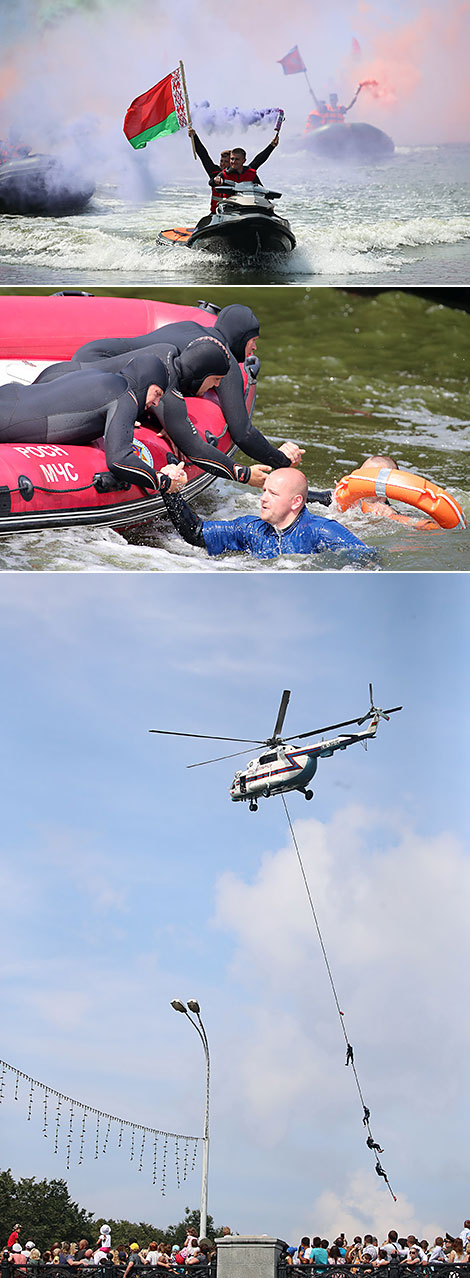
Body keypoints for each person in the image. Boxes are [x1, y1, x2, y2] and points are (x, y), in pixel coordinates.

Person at [35, 303, 302, 473]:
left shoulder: (188, 328)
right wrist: (281, 461)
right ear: (241, 338)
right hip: (99, 379)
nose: (255, 348)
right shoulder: (226, 361)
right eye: (253, 341)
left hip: (90, 355)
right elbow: (242, 432)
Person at [0, 353, 186, 493]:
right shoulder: (125, 396)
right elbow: (120, 460)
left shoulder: (99, 377)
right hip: (6, 421)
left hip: (10, 394)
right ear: (145, 382)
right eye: (157, 394)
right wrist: (164, 481)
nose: (155, 403)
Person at [161, 466, 375, 561]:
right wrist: (171, 491)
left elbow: (369, 560)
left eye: (273, 493)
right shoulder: (249, 529)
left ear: (296, 502)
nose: (263, 498)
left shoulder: (322, 531)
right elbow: (196, 534)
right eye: (264, 492)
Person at [188, 127, 279, 183]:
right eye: (221, 161)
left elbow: (258, 160)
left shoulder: (245, 171)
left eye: (226, 161)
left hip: (238, 211)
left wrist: (272, 146)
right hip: (217, 212)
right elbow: (204, 156)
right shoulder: (215, 172)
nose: (223, 164)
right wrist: (194, 137)